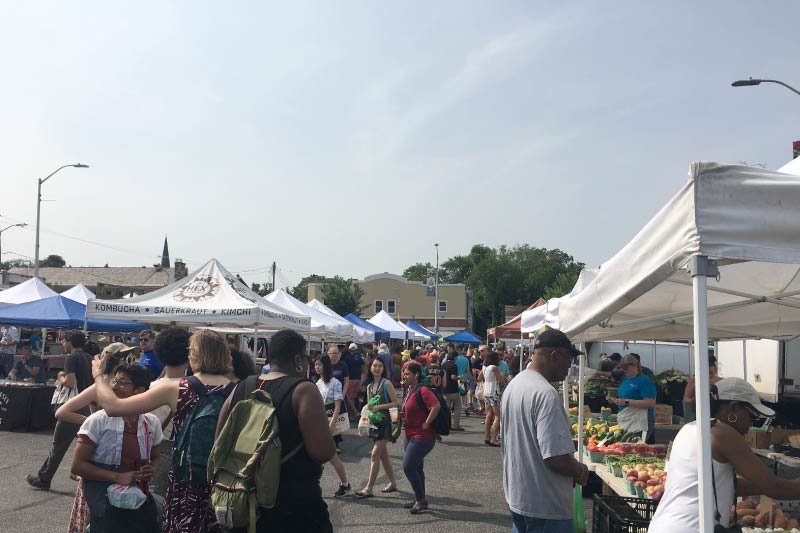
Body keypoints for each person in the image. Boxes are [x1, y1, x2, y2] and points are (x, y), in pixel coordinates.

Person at [92, 329, 235, 532]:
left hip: (186, 481)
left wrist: (99, 375)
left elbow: (113, 407)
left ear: (193, 355)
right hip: (224, 481)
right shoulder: (238, 390)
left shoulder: (178, 388)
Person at [216, 329, 336, 532]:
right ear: (298, 359)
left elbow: (220, 439)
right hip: (294, 504)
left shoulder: (243, 386)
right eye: (305, 359)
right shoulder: (303, 390)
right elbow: (322, 452)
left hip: (244, 500)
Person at [648, 378, 800, 532]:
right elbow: (774, 487)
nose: (751, 425)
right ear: (733, 408)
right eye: (752, 416)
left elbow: (720, 485)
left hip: (664, 524)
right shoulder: (722, 433)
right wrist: (775, 485)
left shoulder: (690, 428)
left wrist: (764, 485)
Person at [501, 327, 589, 532]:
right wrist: (580, 470)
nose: (570, 366)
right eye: (569, 360)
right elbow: (555, 457)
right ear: (554, 355)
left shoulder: (515, 384)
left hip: (519, 497)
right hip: (546, 507)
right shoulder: (545, 394)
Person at [70, 364, 161, 533]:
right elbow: (77, 466)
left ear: (139, 391)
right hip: (105, 504)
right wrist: (116, 476)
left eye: (122, 382)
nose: (113, 386)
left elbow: (156, 457)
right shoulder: (98, 421)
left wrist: (152, 469)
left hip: (138, 501)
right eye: (115, 381)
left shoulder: (151, 422)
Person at [58, 342, 134, 533]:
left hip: (120, 457)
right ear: (109, 359)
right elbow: (62, 412)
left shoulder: (127, 385)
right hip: (96, 456)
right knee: (93, 509)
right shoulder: (100, 386)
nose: (126, 361)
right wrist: (92, 422)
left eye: (128, 357)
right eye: (122, 357)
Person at [27, 331, 94, 490]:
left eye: (64, 341)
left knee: (59, 445)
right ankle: (78, 473)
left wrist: (60, 376)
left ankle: (44, 478)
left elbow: (70, 383)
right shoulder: (88, 357)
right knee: (85, 443)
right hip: (86, 404)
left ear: (70, 341)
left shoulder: (71, 358)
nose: (63, 344)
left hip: (72, 405)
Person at [147, 327, 191, 497]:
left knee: (155, 499)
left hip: (156, 449)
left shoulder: (151, 388)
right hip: (186, 453)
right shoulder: (195, 388)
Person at [355, 356, 399, 498]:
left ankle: (368, 488)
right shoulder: (369, 387)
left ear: (383, 368)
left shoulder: (387, 384)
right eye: (375, 365)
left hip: (386, 422)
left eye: (380, 366)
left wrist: (379, 406)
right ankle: (393, 483)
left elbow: (395, 403)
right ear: (370, 367)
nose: (377, 368)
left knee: (375, 454)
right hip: (375, 423)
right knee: (383, 456)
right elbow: (370, 406)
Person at [399, 362, 440, 514]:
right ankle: (420, 499)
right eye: (404, 373)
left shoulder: (422, 389)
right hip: (409, 434)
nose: (404, 375)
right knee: (417, 467)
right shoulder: (409, 390)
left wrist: (427, 423)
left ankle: (421, 499)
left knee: (408, 466)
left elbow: (436, 406)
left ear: (416, 375)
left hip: (423, 436)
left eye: (407, 373)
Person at [313, 355, 352, 497]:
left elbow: (338, 406)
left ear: (326, 366)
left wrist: (331, 424)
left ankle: (345, 483)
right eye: (315, 365)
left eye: (319, 364)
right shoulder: (317, 383)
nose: (317, 367)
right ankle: (343, 484)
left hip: (330, 424)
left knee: (331, 455)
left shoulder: (335, 383)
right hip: (320, 423)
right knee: (321, 455)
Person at [611, 354, 657, 443]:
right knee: (626, 446)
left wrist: (626, 401)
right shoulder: (625, 380)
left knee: (635, 446)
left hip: (640, 420)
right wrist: (616, 400)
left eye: (625, 367)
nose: (623, 370)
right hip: (627, 418)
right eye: (622, 368)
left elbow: (650, 403)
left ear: (634, 366)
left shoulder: (644, 381)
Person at [682, 354, 722, 423]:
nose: (709, 376)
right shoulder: (694, 381)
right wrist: (696, 401)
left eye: (711, 373)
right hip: (697, 416)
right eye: (706, 373)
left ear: (715, 371)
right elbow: (685, 399)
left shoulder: (720, 381)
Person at [479, 351, 506, 447]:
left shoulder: (485, 367)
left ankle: (487, 437)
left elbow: (479, 378)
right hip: (494, 392)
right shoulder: (494, 368)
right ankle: (493, 439)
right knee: (497, 417)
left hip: (486, 392)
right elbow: (502, 381)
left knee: (488, 415)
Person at [442, 353, 464, 431]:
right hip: (453, 389)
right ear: (454, 357)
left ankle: (445, 425)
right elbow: (453, 377)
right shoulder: (453, 365)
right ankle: (456, 425)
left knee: (446, 409)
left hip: (444, 389)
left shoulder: (443, 364)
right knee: (457, 407)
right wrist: (460, 378)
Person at [344, 342, 364, 420]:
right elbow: (363, 368)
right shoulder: (360, 358)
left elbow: (345, 369)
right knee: (353, 397)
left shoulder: (347, 358)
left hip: (350, 379)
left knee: (348, 397)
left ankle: (355, 412)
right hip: (358, 379)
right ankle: (351, 414)